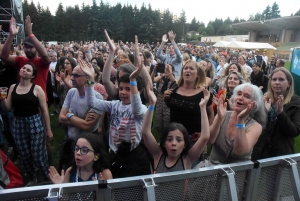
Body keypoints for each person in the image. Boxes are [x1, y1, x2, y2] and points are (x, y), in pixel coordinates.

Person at [81, 34, 151, 178]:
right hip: (114, 152)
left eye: (128, 89)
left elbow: (136, 108)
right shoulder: (114, 105)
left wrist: (133, 81)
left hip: (133, 155)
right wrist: (89, 81)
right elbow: (92, 102)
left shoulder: (142, 109)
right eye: (121, 89)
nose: (124, 93)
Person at [0, 63, 53, 186]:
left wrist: (48, 130)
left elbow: (44, 110)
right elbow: (7, 108)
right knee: (24, 154)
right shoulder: (13, 87)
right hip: (18, 123)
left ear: (32, 75)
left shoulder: (37, 89)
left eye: (28, 70)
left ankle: (46, 177)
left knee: (38, 153)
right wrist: (3, 98)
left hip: (34, 122)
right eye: (23, 68)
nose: (24, 70)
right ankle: (32, 177)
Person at [142, 82, 210, 173]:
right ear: (163, 143)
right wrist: (152, 104)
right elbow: (145, 132)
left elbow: (204, 137)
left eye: (179, 140)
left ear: (185, 144)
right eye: (169, 139)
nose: (174, 143)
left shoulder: (187, 159)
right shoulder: (158, 155)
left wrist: (202, 107)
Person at [195, 83, 266, 167]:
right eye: (239, 94)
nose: (240, 98)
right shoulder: (224, 114)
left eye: (247, 96)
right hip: (212, 168)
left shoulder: (256, 126)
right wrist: (219, 119)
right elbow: (209, 141)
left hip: (237, 173)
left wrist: (240, 120)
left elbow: (239, 151)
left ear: (254, 104)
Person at [252, 67, 300, 160]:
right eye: (274, 79)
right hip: (260, 151)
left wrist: (280, 113)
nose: (277, 82)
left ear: (289, 83)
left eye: (281, 79)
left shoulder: (296, 103)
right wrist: (263, 112)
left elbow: (294, 131)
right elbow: (253, 126)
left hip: (281, 154)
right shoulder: (265, 99)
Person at [164, 60, 214, 142]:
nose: (187, 70)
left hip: (192, 138)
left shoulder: (204, 93)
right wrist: (166, 99)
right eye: (185, 68)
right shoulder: (174, 87)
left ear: (198, 74)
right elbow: (172, 107)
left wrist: (204, 132)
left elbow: (211, 113)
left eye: (191, 68)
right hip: (173, 135)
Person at [0, 16, 50, 98]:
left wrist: (30, 34)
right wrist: (11, 35)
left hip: (38, 101)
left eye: (31, 47)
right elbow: (4, 57)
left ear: (36, 48)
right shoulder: (21, 60)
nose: (28, 49)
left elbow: (45, 55)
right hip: (21, 100)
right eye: (26, 47)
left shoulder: (41, 62)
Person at [151, 64, 176, 138]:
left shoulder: (174, 80)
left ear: (172, 71)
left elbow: (175, 84)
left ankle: (167, 140)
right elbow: (152, 80)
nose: (166, 70)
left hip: (167, 107)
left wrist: (170, 74)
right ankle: (161, 140)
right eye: (165, 69)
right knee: (158, 124)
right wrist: (154, 70)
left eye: (168, 69)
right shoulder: (161, 78)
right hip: (159, 105)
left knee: (167, 125)